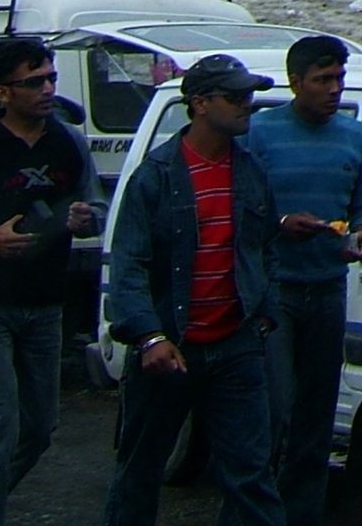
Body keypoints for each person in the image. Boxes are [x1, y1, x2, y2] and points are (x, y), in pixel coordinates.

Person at [98, 54, 286, 526]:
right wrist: (150, 338)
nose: (248, 105)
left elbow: (266, 250)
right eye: (237, 97)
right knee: (139, 472)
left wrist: (264, 312)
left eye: (251, 96)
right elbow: (129, 267)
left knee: (251, 476)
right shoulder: (156, 176)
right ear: (199, 103)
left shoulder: (250, 172)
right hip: (169, 350)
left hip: (236, 345)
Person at [0, 38, 105, 526]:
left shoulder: (68, 141)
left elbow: (94, 203)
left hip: (45, 304)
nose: (48, 89)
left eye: (51, 78)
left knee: (38, 429)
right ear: (4, 92)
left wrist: (84, 218)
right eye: (34, 82)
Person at [245, 37, 362, 526]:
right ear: (295, 82)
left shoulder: (352, 136)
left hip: (328, 285)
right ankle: (256, 507)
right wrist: (280, 225)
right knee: (273, 408)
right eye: (323, 80)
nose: (334, 89)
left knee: (317, 414)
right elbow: (239, 204)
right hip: (275, 288)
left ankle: (302, 513)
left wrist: (360, 233)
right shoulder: (259, 133)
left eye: (339, 79)